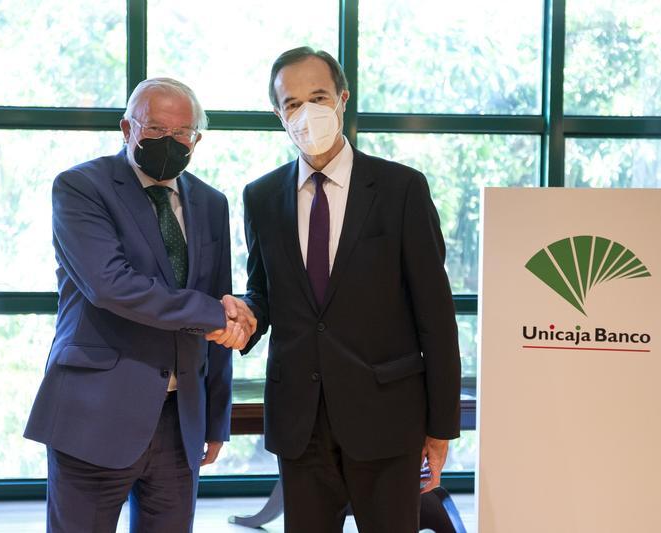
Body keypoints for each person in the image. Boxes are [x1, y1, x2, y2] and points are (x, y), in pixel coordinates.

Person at [237, 47, 462, 533]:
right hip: (300, 422)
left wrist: (442, 426)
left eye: (318, 97)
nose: (306, 113)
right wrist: (244, 316)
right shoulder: (261, 197)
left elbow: (436, 316)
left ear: (342, 99)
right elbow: (264, 293)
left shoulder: (401, 189)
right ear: (279, 115)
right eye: (292, 103)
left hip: (387, 418)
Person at [24, 78, 254, 533]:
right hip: (95, 413)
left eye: (182, 133)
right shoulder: (81, 187)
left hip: (180, 421)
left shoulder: (211, 203)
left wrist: (215, 417)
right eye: (156, 130)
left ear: (197, 140)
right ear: (128, 128)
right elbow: (110, 285)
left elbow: (220, 298)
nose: (170, 141)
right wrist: (214, 313)